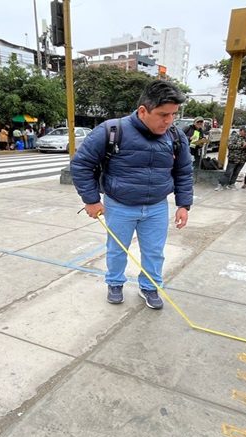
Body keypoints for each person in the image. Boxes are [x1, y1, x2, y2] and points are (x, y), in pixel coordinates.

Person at [71, 80, 194, 310]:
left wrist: (183, 204)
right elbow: (81, 165)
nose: (168, 121)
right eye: (162, 115)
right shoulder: (111, 130)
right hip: (119, 205)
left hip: (157, 206)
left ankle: (149, 286)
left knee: (154, 252)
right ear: (142, 111)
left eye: (173, 115)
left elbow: (184, 171)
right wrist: (91, 200)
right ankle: (115, 283)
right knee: (117, 249)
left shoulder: (175, 136)